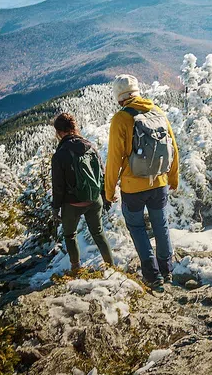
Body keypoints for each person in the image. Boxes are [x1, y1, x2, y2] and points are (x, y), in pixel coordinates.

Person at [105, 74, 179, 292]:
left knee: (137, 227)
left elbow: (114, 159)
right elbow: (173, 149)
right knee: (161, 225)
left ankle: (153, 276)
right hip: (159, 183)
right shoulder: (157, 112)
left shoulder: (121, 119)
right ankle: (167, 271)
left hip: (133, 187)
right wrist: (173, 178)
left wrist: (109, 190)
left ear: (119, 97)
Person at [51, 113, 115, 271]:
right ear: (74, 128)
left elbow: (58, 186)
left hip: (72, 203)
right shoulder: (90, 146)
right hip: (94, 200)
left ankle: (76, 268)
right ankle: (111, 266)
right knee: (98, 233)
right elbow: (102, 173)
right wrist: (105, 197)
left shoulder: (59, 155)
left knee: (70, 235)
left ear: (59, 132)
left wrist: (56, 207)